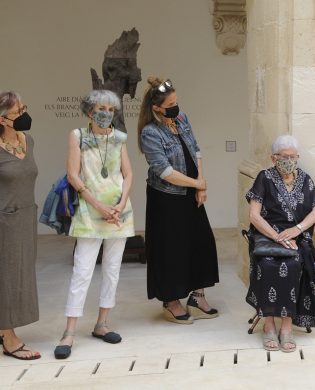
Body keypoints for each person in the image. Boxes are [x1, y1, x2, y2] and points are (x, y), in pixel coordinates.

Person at [54, 90, 135, 359]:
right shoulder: (77, 136)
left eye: (112, 110)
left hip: (118, 213)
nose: (107, 114)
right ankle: (69, 332)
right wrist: (99, 206)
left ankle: (102, 324)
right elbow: (73, 176)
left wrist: (122, 203)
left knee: (112, 270)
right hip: (90, 212)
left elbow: (128, 172)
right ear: (90, 111)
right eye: (102, 108)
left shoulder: (120, 138)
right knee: (82, 271)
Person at [138, 77, 219, 324]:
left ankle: (197, 296)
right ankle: (171, 301)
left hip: (190, 193)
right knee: (170, 249)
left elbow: (196, 150)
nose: (176, 107)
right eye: (170, 104)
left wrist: (200, 183)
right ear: (156, 107)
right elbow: (163, 171)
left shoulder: (181, 118)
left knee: (201, 242)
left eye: (176, 101)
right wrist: (196, 184)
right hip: (166, 199)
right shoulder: (149, 133)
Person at [245, 135, 315, 352]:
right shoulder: (264, 178)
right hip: (268, 236)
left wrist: (297, 229)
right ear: (274, 158)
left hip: (296, 238)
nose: (289, 160)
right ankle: (269, 324)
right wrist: (276, 236)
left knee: (293, 264)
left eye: (293, 157)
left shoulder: (306, 180)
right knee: (267, 264)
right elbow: (254, 215)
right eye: (284, 156)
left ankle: (287, 327)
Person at [0, 91, 40, 360]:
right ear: (2, 119)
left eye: (25, 108)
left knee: (21, 275)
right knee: (7, 278)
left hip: (26, 218)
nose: (24, 115)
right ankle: (8, 335)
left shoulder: (29, 140)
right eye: (18, 112)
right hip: (4, 219)